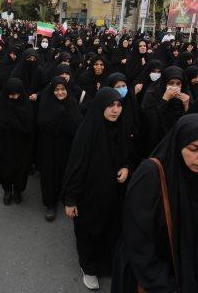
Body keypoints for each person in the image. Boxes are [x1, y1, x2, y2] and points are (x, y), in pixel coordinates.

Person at [112, 114, 198, 293]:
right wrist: (160, 282)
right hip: (151, 277)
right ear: (178, 144)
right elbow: (136, 236)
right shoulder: (151, 174)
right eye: (194, 149)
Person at [62, 88, 130, 290]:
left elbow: (128, 155)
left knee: (111, 230)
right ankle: (89, 268)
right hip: (89, 196)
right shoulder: (87, 132)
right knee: (88, 232)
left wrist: (126, 167)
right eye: (110, 105)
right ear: (100, 106)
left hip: (114, 195)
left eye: (119, 105)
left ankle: (105, 264)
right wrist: (71, 200)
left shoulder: (121, 128)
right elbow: (76, 168)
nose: (115, 110)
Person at [37, 77, 82, 221]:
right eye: (56, 89)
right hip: (49, 146)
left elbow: (77, 125)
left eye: (63, 89)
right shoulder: (46, 103)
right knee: (50, 174)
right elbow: (42, 123)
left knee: (68, 173)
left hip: (68, 146)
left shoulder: (72, 103)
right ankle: (50, 204)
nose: (60, 92)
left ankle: (68, 199)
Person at [0, 78, 34, 205]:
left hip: (21, 144)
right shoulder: (0, 103)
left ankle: (18, 191)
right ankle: (7, 190)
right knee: (5, 168)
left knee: (21, 169)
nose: (14, 97)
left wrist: (12, 122)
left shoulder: (25, 104)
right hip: (4, 144)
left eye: (17, 94)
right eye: (11, 94)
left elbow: (29, 125)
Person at [141, 66, 190, 155]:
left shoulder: (185, 95)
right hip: (157, 139)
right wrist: (164, 99)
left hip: (176, 139)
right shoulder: (152, 93)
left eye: (178, 84)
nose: (174, 87)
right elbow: (149, 119)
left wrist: (186, 106)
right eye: (171, 83)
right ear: (164, 83)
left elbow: (189, 121)